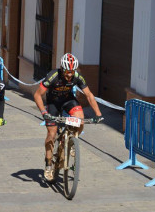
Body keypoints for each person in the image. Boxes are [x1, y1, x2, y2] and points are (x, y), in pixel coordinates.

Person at [34, 53, 103, 181]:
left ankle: (72, 141)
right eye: (67, 72)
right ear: (62, 68)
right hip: (52, 103)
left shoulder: (77, 77)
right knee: (52, 133)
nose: (70, 75)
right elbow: (37, 95)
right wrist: (43, 112)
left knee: (80, 119)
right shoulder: (53, 76)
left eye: (72, 71)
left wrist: (98, 114)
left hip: (68, 100)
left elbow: (89, 95)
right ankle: (48, 164)